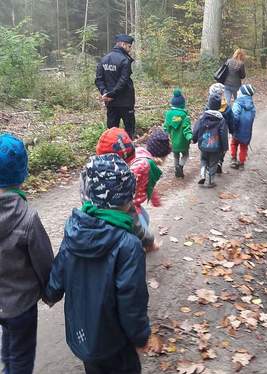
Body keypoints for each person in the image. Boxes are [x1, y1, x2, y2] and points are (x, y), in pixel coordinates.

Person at [45, 154, 150, 374]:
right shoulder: (128, 245)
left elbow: (60, 266)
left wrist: (51, 292)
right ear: (126, 200)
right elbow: (132, 299)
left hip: (81, 334)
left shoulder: (74, 229)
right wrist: (140, 335)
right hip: (115, 343)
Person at [0, 134, 54, 374]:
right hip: (21, 304)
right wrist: (50, 291)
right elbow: (43, 261)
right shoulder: (27, 218)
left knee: (8, 345)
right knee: (21, 354)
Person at [95, 127, 158, 252]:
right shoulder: (120, 189)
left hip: (92, 226)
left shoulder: (90, 173)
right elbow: (134, 221)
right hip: (113, 234)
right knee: (141, 218)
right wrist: (149, 241)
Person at [95, 34, 136, 139]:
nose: (130, 49)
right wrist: (110, 94)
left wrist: (105, 93)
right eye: (129, 46)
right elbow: (123, 81)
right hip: (125, 101)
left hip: (110, 102)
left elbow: (99, 79)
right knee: (129, 130)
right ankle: (129, 152)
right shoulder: (124, 60)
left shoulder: (104, 59)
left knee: (112, 131)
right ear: (123, 44)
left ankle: (112, 152)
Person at [130, 129, 171, 230]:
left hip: (134, 203)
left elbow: (149, 183)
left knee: (146, 218)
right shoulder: (143, 165)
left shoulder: (141, 153)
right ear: (161, 155)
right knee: (143, 231)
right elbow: (126, 183)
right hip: (128, 204)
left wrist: (155, 200)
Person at [192, 94, 228, 188]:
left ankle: (202, 174)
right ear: (219, 106)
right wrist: (225, 147)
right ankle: (211, 181)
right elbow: (223, 134)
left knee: (203, 159)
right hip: (216, 146)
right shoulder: (221, 119)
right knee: (213, 162)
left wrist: (194, 139)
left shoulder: (203, 117)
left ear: (209, 104)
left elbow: (196, 129)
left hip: (203, 144)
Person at [163, 89, 193, 178]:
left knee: (176, 156)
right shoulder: (185, 116)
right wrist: (190, 137)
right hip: (183, 141)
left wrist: (165, 136)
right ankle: (180, 166)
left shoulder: (168, 114)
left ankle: (176, 168)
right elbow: (186, 129)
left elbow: (166, 127)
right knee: (185, 155)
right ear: (182, 104)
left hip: (173, 141)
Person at [208, 83, 235, 174]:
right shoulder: (226, 107)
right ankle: (219, 162)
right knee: (223, 148)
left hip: (210, 131)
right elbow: (231, 120)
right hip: (223, 131)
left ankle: (210, 162)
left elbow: (203, 118)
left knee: (210, 146)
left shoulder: (209, 106)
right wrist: (232, 130)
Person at [230, 84, 256, 170]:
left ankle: (233, 159)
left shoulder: (237, 103)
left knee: (234, 143)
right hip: (247, 130)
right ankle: (241, 163)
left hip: (237, 128)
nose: (237, 92)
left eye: (239, 91)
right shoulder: (252, 105)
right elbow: (252, 117)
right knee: (244, 146)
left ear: (242, 93)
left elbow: (235, 115)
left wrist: (232, 126)